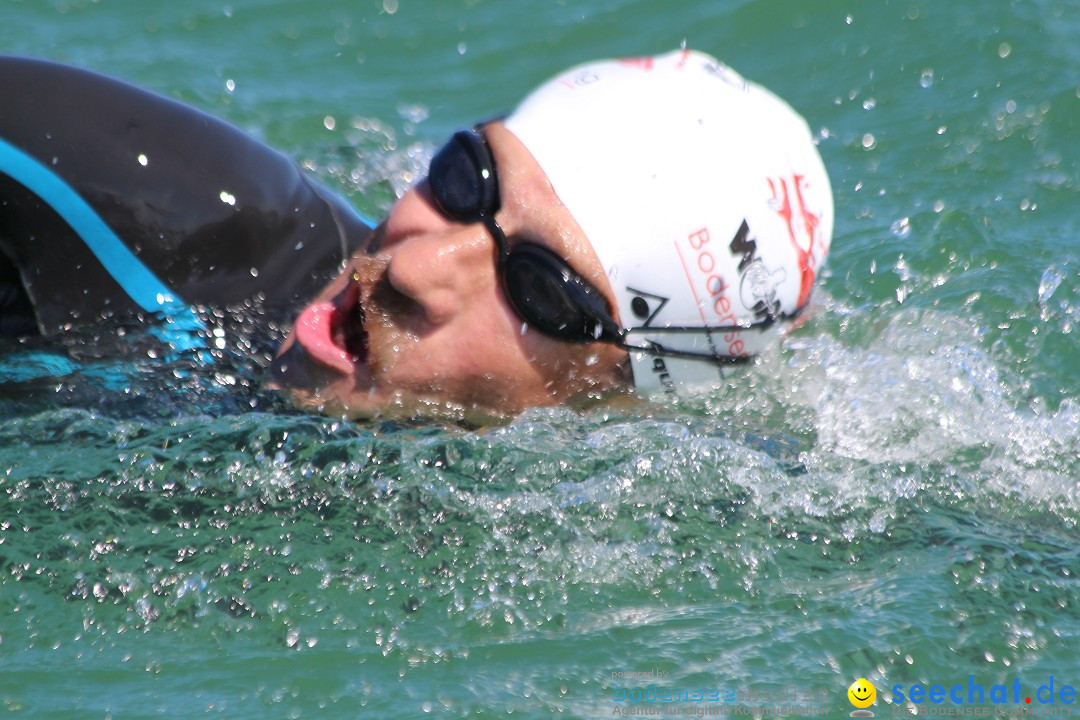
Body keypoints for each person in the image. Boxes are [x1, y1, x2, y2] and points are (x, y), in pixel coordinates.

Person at [0, 49, 833, 420]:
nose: (415, 264)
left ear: (617, 392)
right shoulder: (165, 220)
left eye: (542, 287)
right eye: (464, 179)